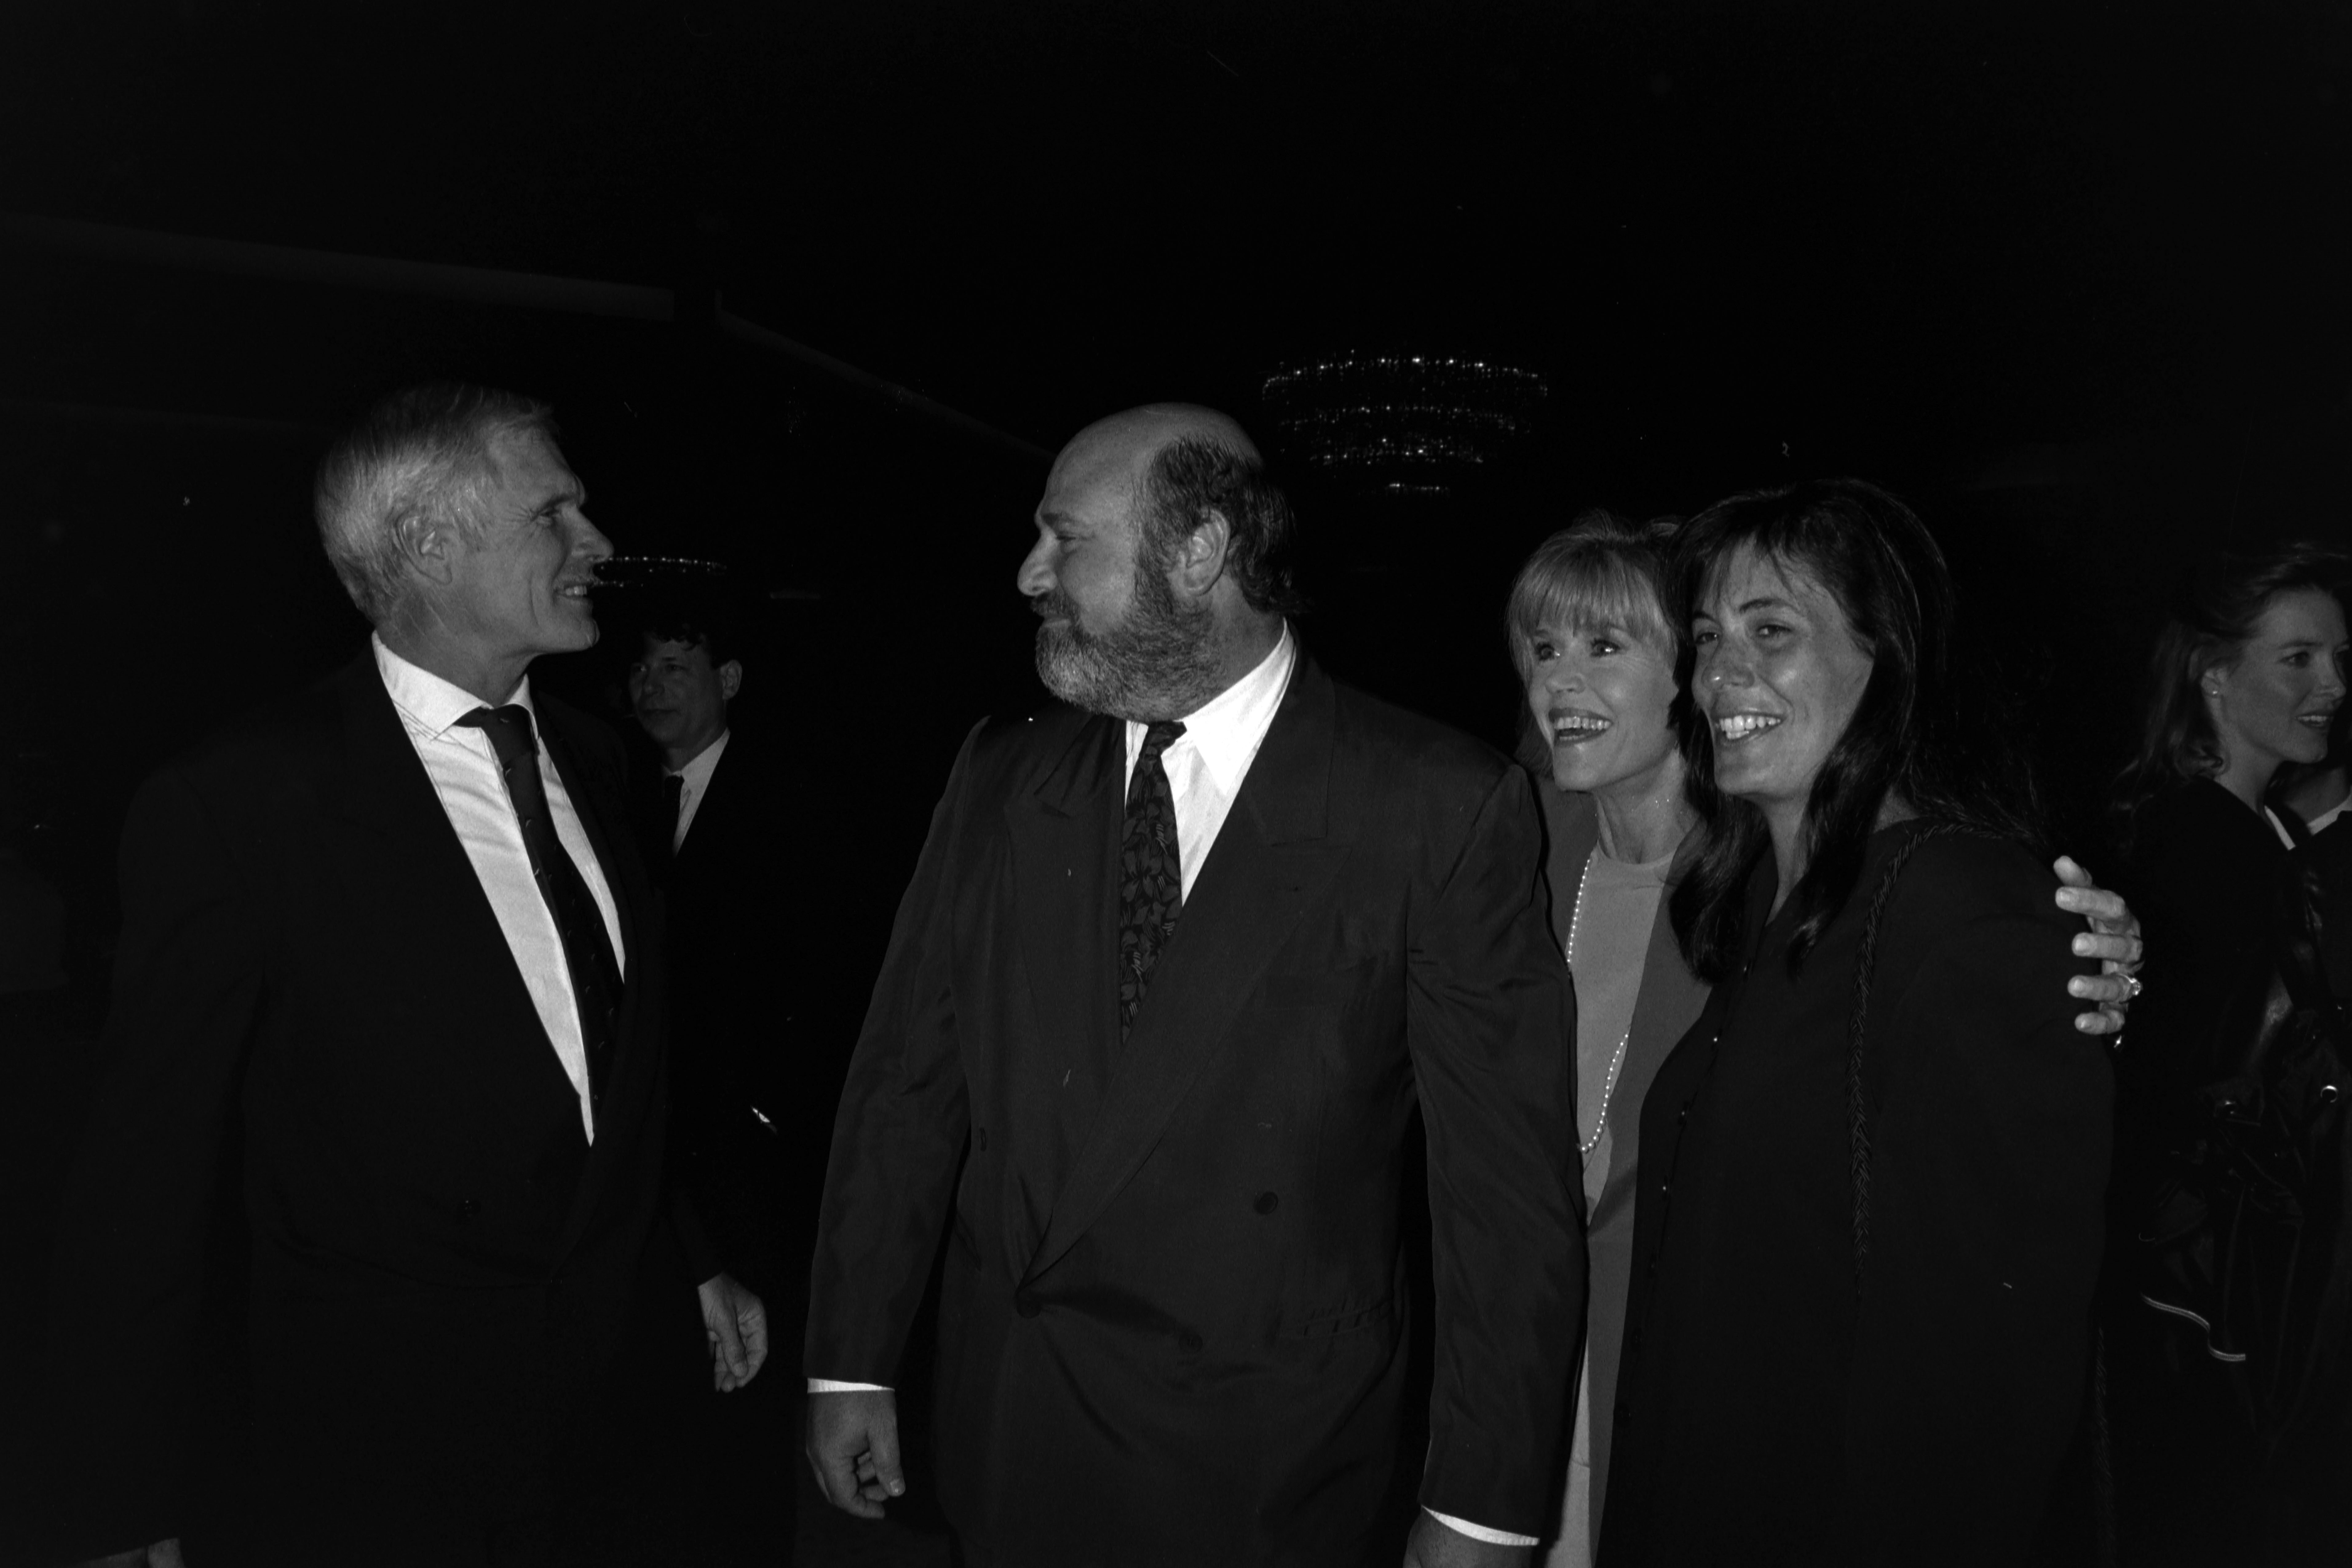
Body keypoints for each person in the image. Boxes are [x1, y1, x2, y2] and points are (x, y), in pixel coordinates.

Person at [803, 404, 1583, 1567]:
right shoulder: (1001, 776)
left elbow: (1504, 1200)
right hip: (1011, 1430)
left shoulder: (1430, 804)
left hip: (1264, 1465)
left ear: (1200, 551)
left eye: (1065, 540)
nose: (1028, 574)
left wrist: (1482, 1503)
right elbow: (906, 1084)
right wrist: (851, 1354)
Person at [46, 383, 767, 1568]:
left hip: (612, 1422)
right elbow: (143, 1175)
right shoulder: (240, 805)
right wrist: (116, 1498)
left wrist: (689, 1256)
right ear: (431, 545)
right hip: (383, 1457)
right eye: (555, 513)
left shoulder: (594, 758)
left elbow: (607, 1057)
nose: (597, 543)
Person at [1507, 513, 2144, 1568]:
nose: (1724, 673)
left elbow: (1973, 1409)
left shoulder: (1960, 911)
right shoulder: (1763, 895)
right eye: (1709, 637)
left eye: (1774, 631)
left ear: (1887, 661)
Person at [2106, 541, 2349, 1567]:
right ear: (2212, 676)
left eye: (2338, 659)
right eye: (2297, 659)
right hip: (2206, 1298)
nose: (2331, 686)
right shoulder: (2195, 844)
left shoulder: (2255, 832)